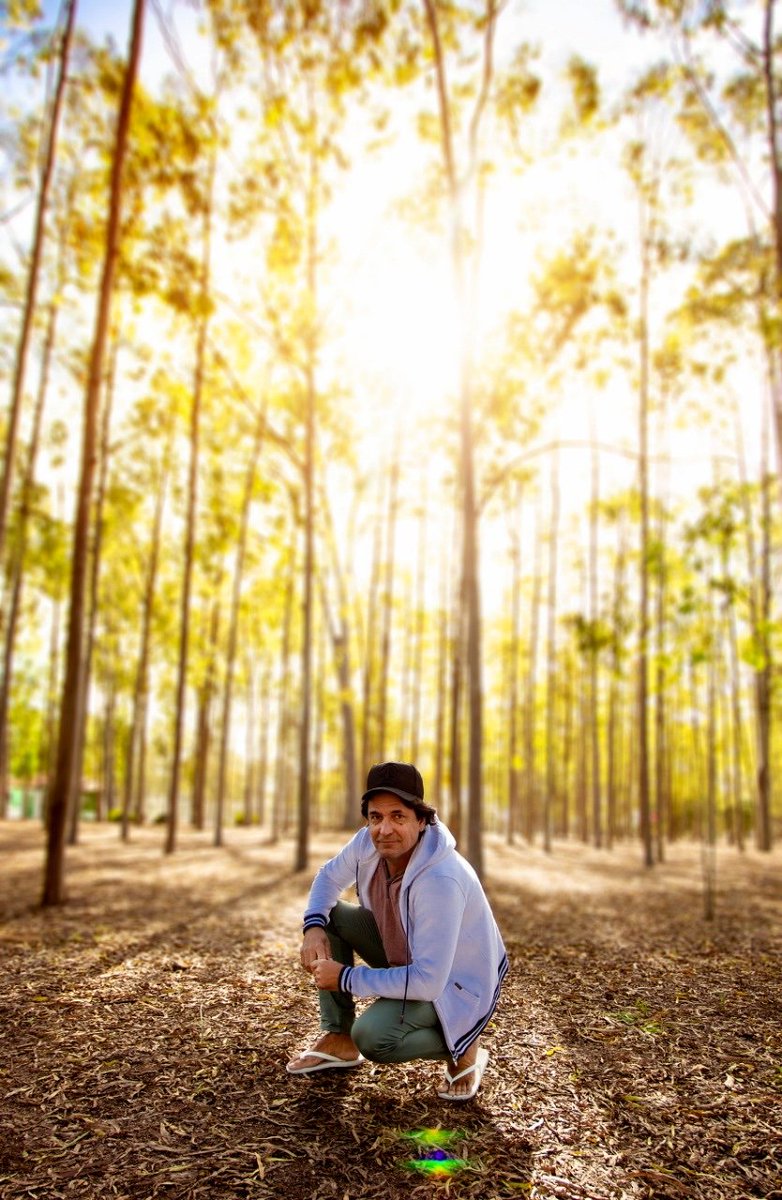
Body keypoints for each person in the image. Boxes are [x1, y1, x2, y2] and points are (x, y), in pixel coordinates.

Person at [286, 761, 508, 1102]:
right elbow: (329, 877)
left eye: (398, 816)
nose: (384, 829)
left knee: (374, 1038)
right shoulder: (367, 843)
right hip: (405, 952)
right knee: (328, 915)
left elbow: (428, 980)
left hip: (454, 981)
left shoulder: (440, 879)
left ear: (422, 820)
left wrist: (345, 978)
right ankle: (338, 1039)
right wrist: (313, 927)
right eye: (376, 817)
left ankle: (465, 1043)